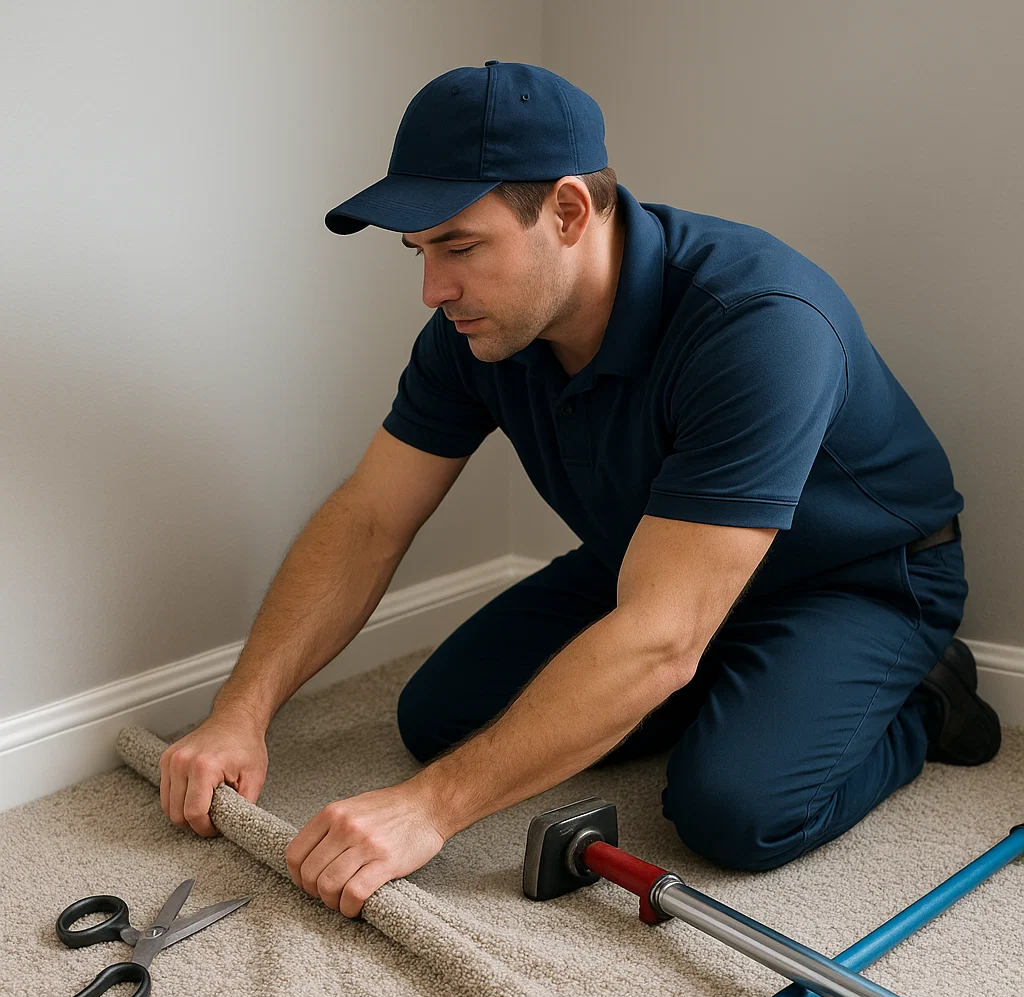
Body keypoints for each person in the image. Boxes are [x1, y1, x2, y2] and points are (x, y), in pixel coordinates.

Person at [159, 61, 1000, 918]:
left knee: (732, 810)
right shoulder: (477, 327)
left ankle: (923, 698)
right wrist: (240, 711)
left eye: (460, 246)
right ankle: (704, 673)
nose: (433, 290)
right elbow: (369, 519)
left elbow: (659, 637)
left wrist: (429, 810)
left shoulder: (758, 322)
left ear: (567, 211)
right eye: (420, 251)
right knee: (440, 718)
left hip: (853, 580)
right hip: (651, 558)